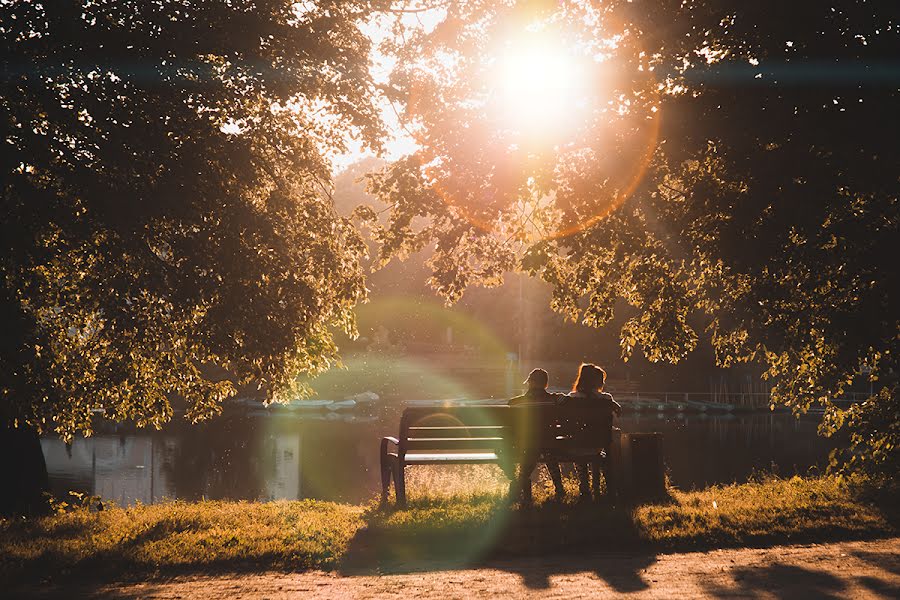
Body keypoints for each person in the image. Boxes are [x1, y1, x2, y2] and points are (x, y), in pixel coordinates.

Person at [505, 368, 565, 502]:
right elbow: (567, 401)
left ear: (530, 383)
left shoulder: (516, 402)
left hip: (527, 445)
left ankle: (518, 489)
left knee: (531, 452)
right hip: (549, 444)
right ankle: (559, 488)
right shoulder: (554, 400)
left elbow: (509, 412)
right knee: (547, 450)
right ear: (546, 384)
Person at [562, 363, 621, 500]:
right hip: (598, 445)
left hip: (576, 445)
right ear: (598, 382)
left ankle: (585, 488)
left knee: (580, 445)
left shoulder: (572, 398)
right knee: (602, 448)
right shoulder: (606, 399)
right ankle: (610, 490)